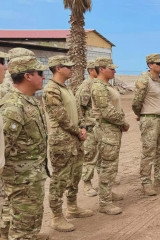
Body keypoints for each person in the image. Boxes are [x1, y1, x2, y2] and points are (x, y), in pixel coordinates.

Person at [0, 55, 49, 239]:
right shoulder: (13, 107)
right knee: (23, 229)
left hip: (32, 178)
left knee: (31, 220)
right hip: (20, 181)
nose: (43, 77)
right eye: (40, 73)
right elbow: (2, 148)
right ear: (28, 76)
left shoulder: (29, 100)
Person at [43, 55, 93, 232]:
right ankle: (56, 217)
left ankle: (72, 207)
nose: (71, 69)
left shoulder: (66, 88)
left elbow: (77, 112)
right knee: (60, 179)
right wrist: (77, 130)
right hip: (62, 141)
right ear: (58, 68)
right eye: (68, 66)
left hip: (74, 139)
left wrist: (82, 127)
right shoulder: (51, 90)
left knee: (75, 175)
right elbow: (60, 117)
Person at [132, 53, 160, 196]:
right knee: (148, 152)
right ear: (150, 65)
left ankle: (159, 178)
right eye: (158, 63)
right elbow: (136, 102)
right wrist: (140, 114)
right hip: (149, 119)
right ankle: (146, 183)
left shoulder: (159, 80)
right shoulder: (144, 80)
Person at [91, 57, 129, 215]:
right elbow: (107, 111)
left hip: (112, 129)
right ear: (101, 69)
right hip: (107, 129)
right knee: (108, 166)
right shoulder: (99, 87)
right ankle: (104, 203)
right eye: (111, 68)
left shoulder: (107, 85)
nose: (114, 71)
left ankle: (107, 194)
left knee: (109, 164)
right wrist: (123, 122)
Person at [75, 60, 99, 197]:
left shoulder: (100, 85)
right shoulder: (86, 86)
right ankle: (87, 183)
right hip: (90, 127)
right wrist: (82, 127)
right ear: (91, 70)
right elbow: (79, 107)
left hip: (100, 126)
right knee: (89, 156)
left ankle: (104, 182)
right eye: (97, 68)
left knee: (102, 156)